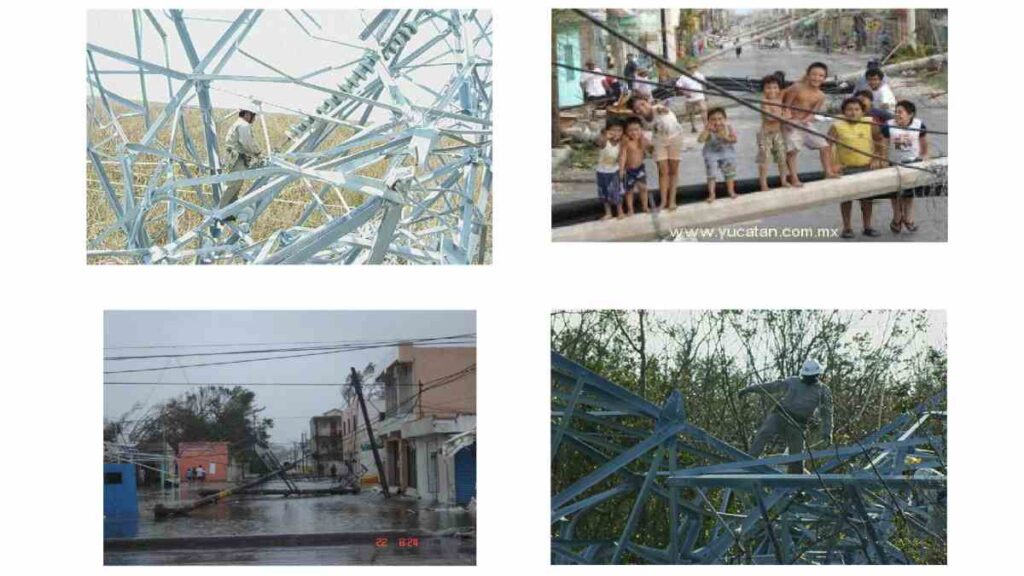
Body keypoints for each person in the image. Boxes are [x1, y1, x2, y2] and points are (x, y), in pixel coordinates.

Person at [739, 359, 834, 474]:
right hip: (780, 415)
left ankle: (796, 481)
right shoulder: (793, 381)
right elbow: (772, 386)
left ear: (817, 376)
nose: (807, 379)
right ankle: (750, 462)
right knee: (764, 433)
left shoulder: (823, 390)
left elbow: (827, 413)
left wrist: (827, 433)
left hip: (798, 424)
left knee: (797, 456)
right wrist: (749, 389)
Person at [829, 97, 881, 238]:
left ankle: (867, 226)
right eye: (849, 110)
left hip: (866, 166)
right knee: (846, 198)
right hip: (845, 168)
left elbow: (879, 141)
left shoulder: (870, 123)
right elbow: (827, 146)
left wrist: (876, 158)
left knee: (867, 198)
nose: (853, 113)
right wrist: (832, 165)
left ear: (863, 112)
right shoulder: (837, 125)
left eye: (857, 109)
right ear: (844, 111)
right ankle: (847, 228)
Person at [877, 99, 929, 233]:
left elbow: (924, 144)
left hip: (913, 163)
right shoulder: (888, 126)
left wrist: (924, 157)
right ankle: (897, 216)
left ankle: (908, 218)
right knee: (894, 193)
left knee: (909, 193)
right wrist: (882, 159)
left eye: (900, 112)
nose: (897, 115)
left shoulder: (919, 124)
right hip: (893, 163)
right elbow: (883, 144)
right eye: (896, 112)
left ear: (910, 114)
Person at [782, 62, 835, 186]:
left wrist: (806, 120)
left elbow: (813, 113)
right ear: (808, 75)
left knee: (825, 146)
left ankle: (828, 172)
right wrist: (788, 120)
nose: (817, 78)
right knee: (792, 151)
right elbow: (785, 106)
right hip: (791, 122)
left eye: (821, 76)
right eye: (814, 74)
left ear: (824, 78)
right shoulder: (797, 87)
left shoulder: (821, 96)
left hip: (805, 123)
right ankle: (794, 178)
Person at [629, 96, 683, 211]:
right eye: (637, 108)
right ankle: (663, 201)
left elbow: (664, 109)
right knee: (663, 171)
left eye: (643, 104)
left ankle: (672, 200)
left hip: (675, 137)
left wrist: (663, 108)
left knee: (673, 171)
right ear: (635, 112)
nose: (641, 108)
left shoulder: (657, 108)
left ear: (648, 102)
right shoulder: (641, 121)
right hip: (658, 140)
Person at [220, 109, 263, 213]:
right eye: (253, 115)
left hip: (232, 158)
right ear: (247, 114)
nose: (254, 118)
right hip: (238, 158)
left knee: (235, 186)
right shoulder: (244, 125)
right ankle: (222, 211)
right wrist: (258, 153)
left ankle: (230, 211)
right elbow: (247, 142)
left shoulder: (237, 123)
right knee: (233, 185)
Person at [756, 75, 790, 191]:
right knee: (765, 159)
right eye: (768, 88)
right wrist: (783, 117)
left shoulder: (780, 100)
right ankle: (763, 184)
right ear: (763, 90)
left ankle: (784, 180)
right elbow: (769, 117)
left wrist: (785, 115)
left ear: (779, 89)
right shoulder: (764, 101)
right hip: (765, 135)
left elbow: (788, 114)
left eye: (775, 87)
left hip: (778, 134)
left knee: (782, 158)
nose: (772, 90)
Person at [699, 107, 738, 202]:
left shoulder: (728, 127)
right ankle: (712, 194)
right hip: (711, 153)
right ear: (708, 121)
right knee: (711, 174)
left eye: (720, 119)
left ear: (725, 119)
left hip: (726, 152)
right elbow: (700, 140)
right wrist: (707, 130)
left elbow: (734, 140)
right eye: (713, 119)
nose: (717, 122)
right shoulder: (708, 129)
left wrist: (725, 137)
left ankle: (731, 191)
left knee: (729, 173)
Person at [595, 118, 625, 219]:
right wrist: (605, 136)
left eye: (619, 130)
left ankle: (620, 211)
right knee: (604, 192)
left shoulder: (620, 144)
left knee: (616, 191)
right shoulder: (604, 141)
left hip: (614, 171)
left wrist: (621, 170)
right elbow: (598, 142)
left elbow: (621, 157)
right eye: (613, 130)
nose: (616, 133)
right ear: (608, 131)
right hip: (602, 172)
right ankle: (608, 213)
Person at [618, 116, 649, 215]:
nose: (634, 132)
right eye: (630, 130)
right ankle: (630, 209)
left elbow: (650, 149)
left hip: (640, 168)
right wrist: (621, 170)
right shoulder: (626, 142)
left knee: (643, 188)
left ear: (641, 130)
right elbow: (623, 156)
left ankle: (645, 206)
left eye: (637, 130)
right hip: (629, 170)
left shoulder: (642, 140)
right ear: (626, 131)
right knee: (629, 190)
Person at [675, 60, 708, 133]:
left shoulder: (699, 75)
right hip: (690, 97)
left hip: (699, 96)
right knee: (691, 112)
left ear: (695, 68)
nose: (691, 69)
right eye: (689, 68)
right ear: (687, 69)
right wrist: (684, 93)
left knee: (703, 109)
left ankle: (706, 126)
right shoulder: (683, 77)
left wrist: (705, 94)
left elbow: (704, 84)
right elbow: (678, 87)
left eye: (693, 67)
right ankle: (693, 127)